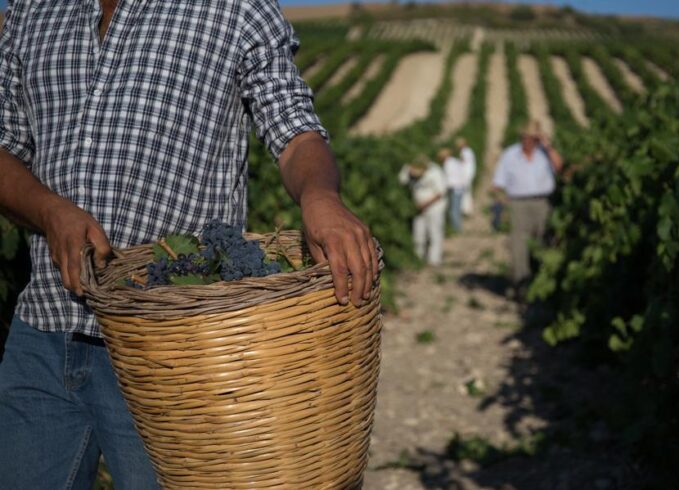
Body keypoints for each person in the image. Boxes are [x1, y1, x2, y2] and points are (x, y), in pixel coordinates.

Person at [0, 1, 378, 488]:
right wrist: (50, 211)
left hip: (175, 351)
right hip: (45, 334)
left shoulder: (234, 9)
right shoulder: (34, 10)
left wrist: (321, 195)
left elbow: (295, 133)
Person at [492, 120, 564, 299]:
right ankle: (521, 284)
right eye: (528, 137)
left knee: (544, 240)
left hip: (543, 202)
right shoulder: (510, 155)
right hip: (518, 203)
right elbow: (497, 184)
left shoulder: (545, 154)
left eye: (535, 138)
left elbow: (560, 167)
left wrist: (548, 147)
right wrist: (501, 205)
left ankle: (541, 282)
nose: (531, 141)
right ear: (522, 138)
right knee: (519, 245)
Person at [398, 155, 447, 266]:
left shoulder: (435, 172)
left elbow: (440, 193)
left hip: (435, 207)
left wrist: (425, 204)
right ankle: (418, 257)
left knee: (434, 232)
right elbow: (402, 181)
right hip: (418, 208)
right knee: (418, 232)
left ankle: (434, 259)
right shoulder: (408, 169)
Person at [440, 148, 468, 233]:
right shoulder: (455, 161)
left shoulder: (448, 164)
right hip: (461, 187)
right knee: (457, 208)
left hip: (454, 188)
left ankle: (456, 229)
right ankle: (458, 227)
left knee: (453, 210)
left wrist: (443, 189)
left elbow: (448, 178)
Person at [455, 137, 477, 217]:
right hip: (467, 175)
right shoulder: (468, 151)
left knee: (465, 192)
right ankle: (466, 209)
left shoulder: (465, 152)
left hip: (466, 175)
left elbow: (462, 163)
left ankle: (466, 210)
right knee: (467, 192)